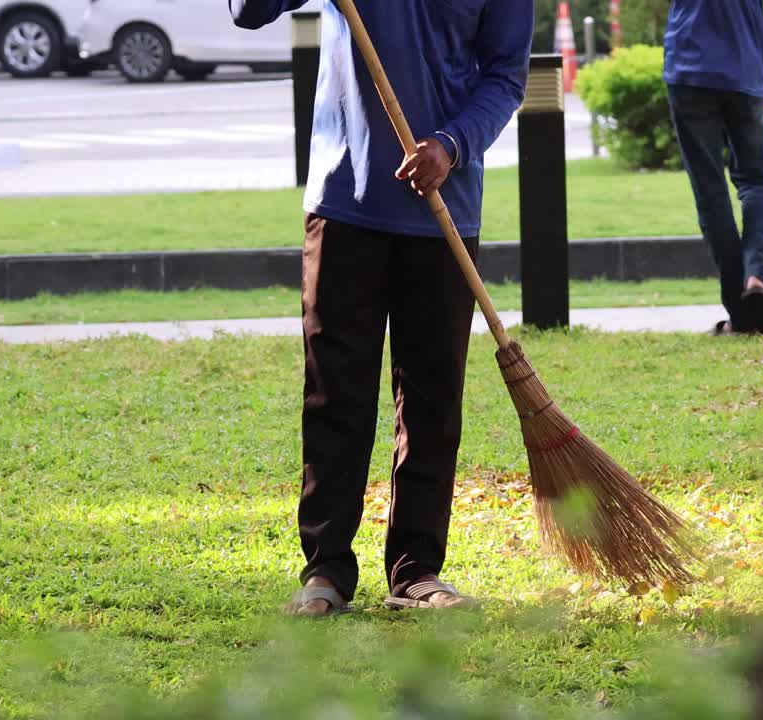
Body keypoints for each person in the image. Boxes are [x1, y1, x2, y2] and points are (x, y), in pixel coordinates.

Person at [228, 0, 534, 615]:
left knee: (432, 397)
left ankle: (416, 570)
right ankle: (326, 570)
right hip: (346, 200)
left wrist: (452, 144)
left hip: (443, 207)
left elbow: (505, 75)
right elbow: (249, 11)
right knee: (335, 391)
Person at [665, 0, 763, 336]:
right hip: (746, 73)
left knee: (711, 193)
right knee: (754, 182)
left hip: (688, 72)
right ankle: (756, 276)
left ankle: (740, 317)